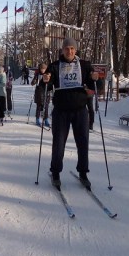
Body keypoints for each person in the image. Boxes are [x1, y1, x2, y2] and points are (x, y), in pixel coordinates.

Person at [43, 37, 99, 189]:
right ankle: (55, 172)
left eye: (72, 49)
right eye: (67, 48)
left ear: (76, 50)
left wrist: (95, 78)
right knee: (59, 143)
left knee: (83, 142)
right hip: (61, 111)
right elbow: (45, 84)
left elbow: (94, 82)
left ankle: (83, 172)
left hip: (80, 109)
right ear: (62, 50)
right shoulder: (55, 66)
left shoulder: (84, 65)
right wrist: (45, 79)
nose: (70, 51)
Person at [31, 62, 50, 127]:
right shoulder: (37, 74)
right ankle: (37, 119)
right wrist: (34, 81)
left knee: (46, 107)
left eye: (44, 69)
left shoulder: (48, 74)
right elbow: (32, 83)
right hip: (39, 92)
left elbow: (51, 82)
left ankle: (46, 119)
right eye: (42, 68)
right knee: (39, 106)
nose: (43, 70)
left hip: (46, 92)